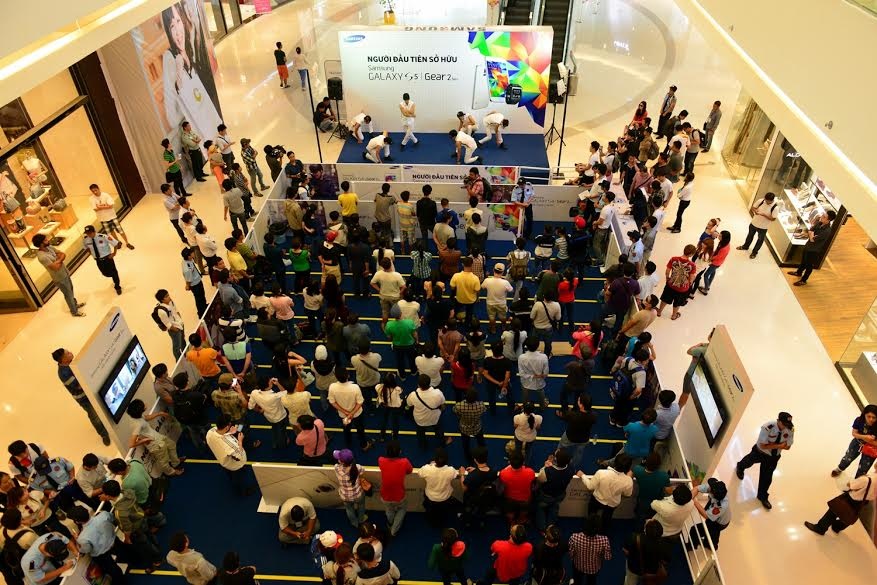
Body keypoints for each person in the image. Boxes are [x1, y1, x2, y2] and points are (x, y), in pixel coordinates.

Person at [49, 349, 110, 445]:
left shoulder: (72, 363)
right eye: (68, 353)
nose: (70, 352)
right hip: (83, 398)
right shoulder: (63, 373)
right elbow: (79, 385)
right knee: (94, 416)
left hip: (90, 391)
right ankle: (103, 434)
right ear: (63, 359)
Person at [735, 412, 795, 509]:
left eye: (787, 424)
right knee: (748, 461)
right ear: (778, 421)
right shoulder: (767, 427)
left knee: (767, 478)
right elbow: (763, 446)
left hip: (773, 457)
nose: (785, 427)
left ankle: (762, 496)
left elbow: (788, 447)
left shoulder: (790, 430)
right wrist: (780, 445)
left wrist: (772, 446)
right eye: (784, 424)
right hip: (760, 452)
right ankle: (740, 467)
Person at [804, 466, 877, 536]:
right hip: (863, 502)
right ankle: (837, 527)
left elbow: (851, 485)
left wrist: (851, 482)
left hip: (852, 498)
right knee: (850, 514)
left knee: (833, 510)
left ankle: (820, 528)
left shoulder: (867, 479)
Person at [576, 452, 634, 534]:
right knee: (607, 519)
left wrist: (582, 475)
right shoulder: (628, 480)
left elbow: (590, 486)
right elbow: (628, 494)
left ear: (615, 463)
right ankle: (603, 533)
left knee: (591, 515)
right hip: (612, 504)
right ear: (629, 468)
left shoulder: (601, 473)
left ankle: (589, 528)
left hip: (597, 500)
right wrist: (628, 479)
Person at [126, 398, 183, 478]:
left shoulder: (135, 416)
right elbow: (131, 444)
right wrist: (144, 440)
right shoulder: (137, 425)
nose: (145, 404)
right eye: (143, 405)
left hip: (157, 437)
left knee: (172, 445)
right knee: (164, 460)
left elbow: (145, 418)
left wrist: (159, 413)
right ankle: (170, 472)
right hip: (155, 444)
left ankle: (175, 462)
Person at [32, 234, 85, 317]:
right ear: (41, 244)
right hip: (59, 278)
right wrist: (59, 259)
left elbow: (63, 254)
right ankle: (74, 311)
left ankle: (75, 305)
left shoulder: (49, 247)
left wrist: (58, 260)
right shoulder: (42, 257)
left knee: (70, 290)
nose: (48, 240)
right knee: (68, 294)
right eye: (45, 240)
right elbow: (56, 268)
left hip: (65, 272)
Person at [206, 414, 256, 496]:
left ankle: (234, 482)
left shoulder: (210, 432)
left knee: (231, 475)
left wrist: (230, 433)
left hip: (223, 462)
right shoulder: (229, 444)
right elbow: (239, 455)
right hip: (234, 465)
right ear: (226, 427)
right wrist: (240, 441)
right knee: (239, 479)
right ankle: (243, 492)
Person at [788, 210, 837, 285]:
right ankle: (798, 272)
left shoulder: (827, 231)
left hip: (814, 250)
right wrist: (812, 234)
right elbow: (810, 231)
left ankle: (804, 280)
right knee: (803, 261)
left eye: (824, 217)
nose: (821, 217)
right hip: (808, 246)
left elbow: (812, 239)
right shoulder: (819, 223)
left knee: (809, 266)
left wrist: (811, 234)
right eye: (823, 215)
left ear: (828, 220)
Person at [831, 404, 877, 479]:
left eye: (874, 417)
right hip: (857, 443)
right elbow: (854, 433)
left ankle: (857, 482)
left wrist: (864, 438)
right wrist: (866, 437)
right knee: (847, 458)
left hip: (871, 449)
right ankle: (840, 468)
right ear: (864, 414)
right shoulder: (859, 420)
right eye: (868, 416)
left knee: (864, 467)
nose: (871, 419)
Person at [377, 441, 412, 536]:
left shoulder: (381, 460)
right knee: (402, 509)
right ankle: (394, 529)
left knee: (389, 509)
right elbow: (410, 470)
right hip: (399, 495)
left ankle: (390, 523)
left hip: (385, 495)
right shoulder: (404, 462)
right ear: (400, 452)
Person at [534, 450, 575, 530]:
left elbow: (539, 480)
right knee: (554, 508)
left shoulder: (547, 471)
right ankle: (551, 527)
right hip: (560, 495)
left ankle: (542, 527)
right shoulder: (571, 470)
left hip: (546, 496)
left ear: (555, 459)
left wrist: (546, 466)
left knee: (540, 509)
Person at [417, 449, 459, 527]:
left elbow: (419, 473)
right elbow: (456, 475)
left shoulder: (427, 469)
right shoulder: (451, 470)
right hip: (445, 498)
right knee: (443, 513)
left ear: (435, 460)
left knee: (431, 512)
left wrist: (431, 465)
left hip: (430, 497)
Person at [622, 519, 670, 585]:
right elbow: (665, 561)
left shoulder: (633, 538)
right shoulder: (665, 545)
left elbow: (625, 550)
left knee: (630, 582)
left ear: (645, 530)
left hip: (633, 568)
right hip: (651, 572)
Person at [408, 375, 450, 449]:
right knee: (438, 430)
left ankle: (422, 445)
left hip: (420, 419)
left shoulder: (413, 395)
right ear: (429, 383)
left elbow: (409, 404)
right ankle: (443, 442)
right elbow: (443, 406)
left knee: (420, 433)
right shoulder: (438, 393)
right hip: (434, 417)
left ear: (418, 385)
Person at [568, 514, 611, 585]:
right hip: (594, 568)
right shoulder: (604, 540)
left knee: (577, 581)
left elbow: (571, 554)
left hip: (578, 565)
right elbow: (607, 557)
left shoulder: (574, 537)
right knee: (591, 582)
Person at [656, 244, 696, 320]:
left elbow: (667, 271)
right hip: (682, 289)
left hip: (671, 284)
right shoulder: (692, 265)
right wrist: (689, 283)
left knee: (665, 298)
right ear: (691, 254)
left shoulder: (673, 259)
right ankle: (674, 315)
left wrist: (667, 279)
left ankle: (659, 312)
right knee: (677, 303)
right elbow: (691, 278)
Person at [688, 478, 730, 549]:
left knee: (695, 530)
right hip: (717, 516)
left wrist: (695, 502)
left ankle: (694, 545)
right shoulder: (717, 488)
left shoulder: (721, 506)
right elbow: (697, 488)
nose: (708, 487)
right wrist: (689, 497)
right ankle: (709, 543)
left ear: (713, 493)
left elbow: (706, 515)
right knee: (711, 533)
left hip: (719, 523)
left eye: (710, 488)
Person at [737, 191, 778, 259]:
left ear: (772, 200)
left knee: (760, 240)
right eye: (765, 200)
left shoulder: (775, 208)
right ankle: (745, 246)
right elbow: (753, 207)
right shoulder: (761, 201)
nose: (766, 202)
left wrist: (764, 215)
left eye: (768, 201)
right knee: (749, 236)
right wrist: (755, 211)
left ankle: (754, 252)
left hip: (763, 227)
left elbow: (773, 219)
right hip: (754, 223)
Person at [385, 305, 419, 379]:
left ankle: (402, 375)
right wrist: (417, 341)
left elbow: (389, 337)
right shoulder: (409, 322)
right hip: (410, 345)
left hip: (397, 346)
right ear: (401, 313)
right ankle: (413, 371)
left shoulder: (389, 325)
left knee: (400, 361)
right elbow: (414, 334)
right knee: (411, 359)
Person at [453, 389, 487, 463]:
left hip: (464, 428)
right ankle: (483, 455)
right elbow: (484, 411)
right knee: (481, 441)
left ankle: (468, 458)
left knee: (465, 444)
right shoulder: (481, 405)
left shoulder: (459, 405)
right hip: (477, 427)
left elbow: (455, 411)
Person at [450, 257, 481, 326]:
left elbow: (452, 287)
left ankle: (454, 321)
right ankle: (467, 324)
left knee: (456, 309)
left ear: (462, 264)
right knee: (469, 313)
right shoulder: (475, 278)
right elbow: (477, 291)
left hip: (459, 299)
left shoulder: (456, 276)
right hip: (471, 300)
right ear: (472, 264)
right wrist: (477, 298)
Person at [519, 337, 549, 407]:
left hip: (526, 382)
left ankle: (525, 406)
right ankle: (542, 405)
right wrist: (538, 376)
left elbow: (521, 373)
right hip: (539, 381)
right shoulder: (543, 357)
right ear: (538, 345)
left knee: (525, 394)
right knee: (540, 392)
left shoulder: (521, 357)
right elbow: (545, 373)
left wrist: (532, 376)